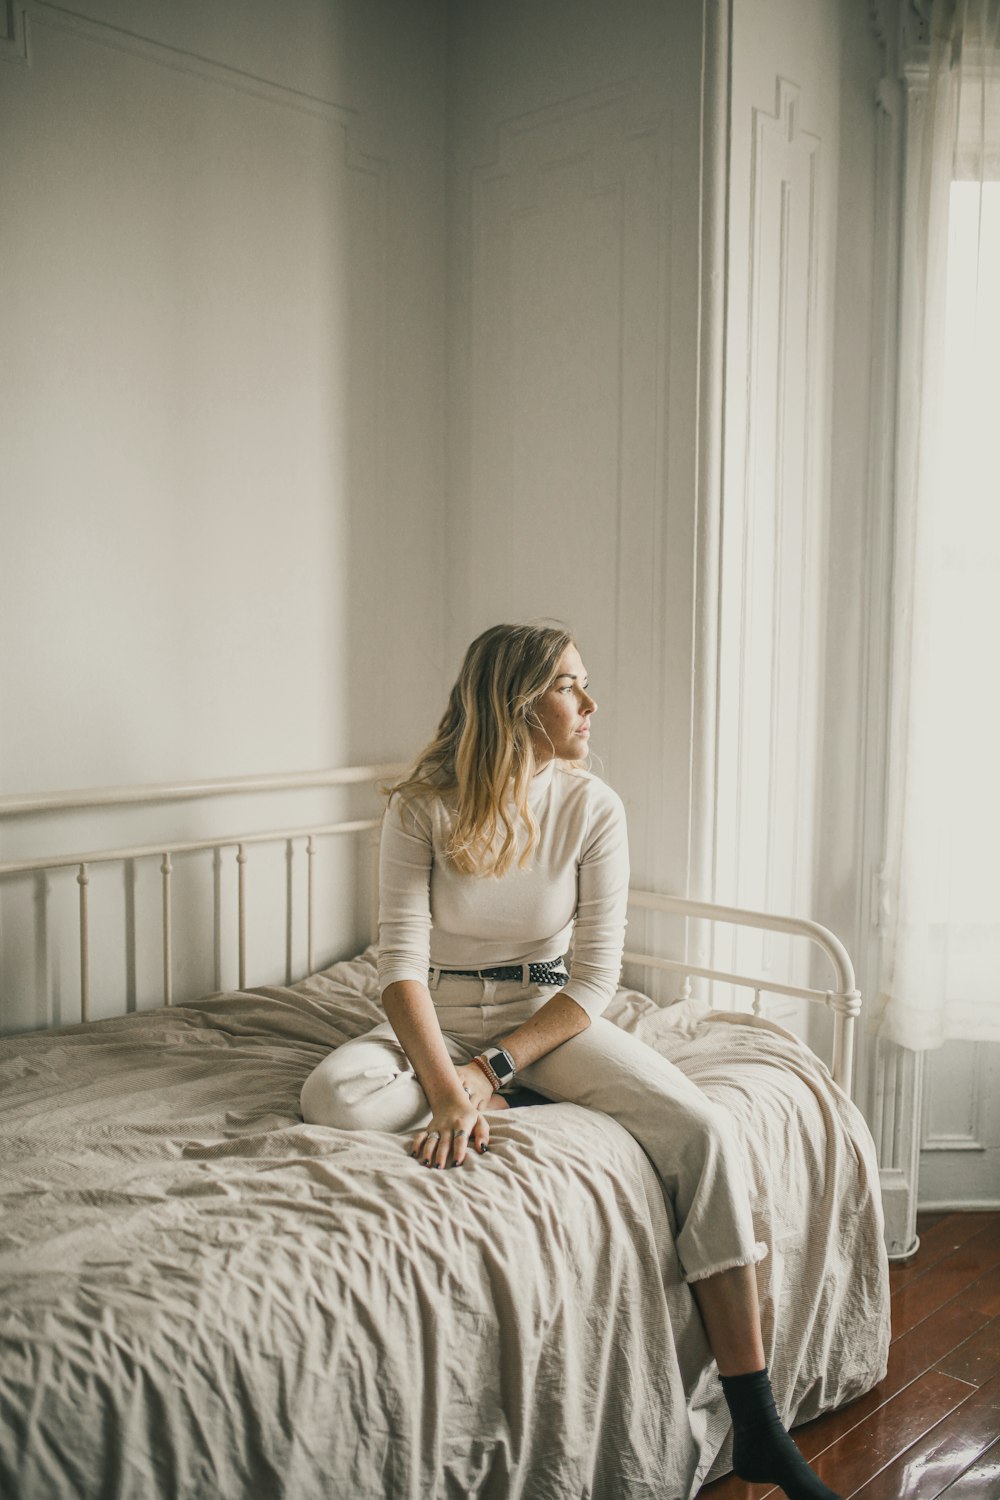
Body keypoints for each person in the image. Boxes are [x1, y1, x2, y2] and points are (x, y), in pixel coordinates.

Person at [300, 622, 841, 1500]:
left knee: (701, 1130)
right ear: (516, 703)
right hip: (438, 1008)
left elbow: (593, 981)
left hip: (546, 1014)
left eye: (583, 685)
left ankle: (757, 1423)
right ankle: (526, 1103)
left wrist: (487, 1077)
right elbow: (396, 966)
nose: (590, 704)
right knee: (337, 1101)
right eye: (568, 686)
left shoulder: (593, 807)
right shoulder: (422, 805)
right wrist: (445, 1089)